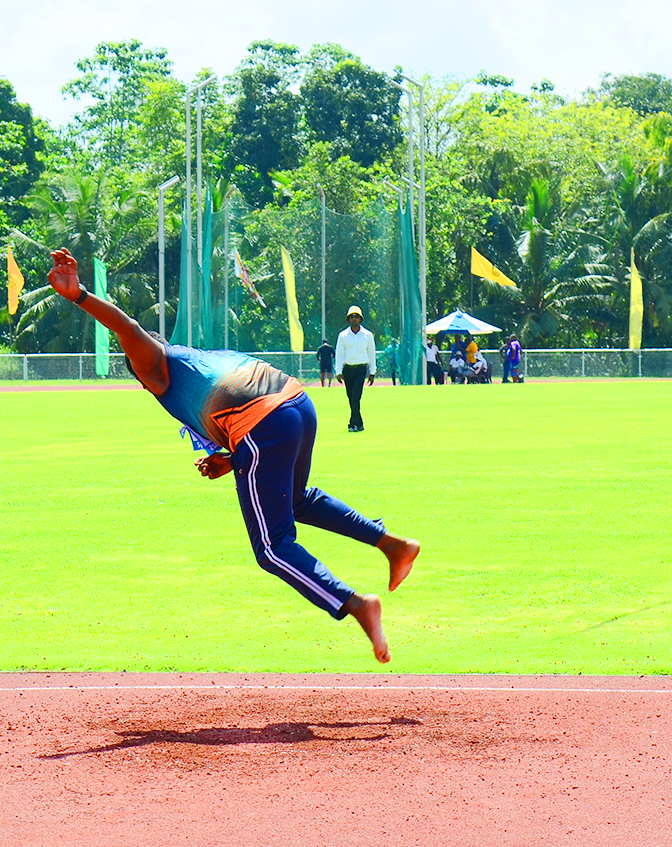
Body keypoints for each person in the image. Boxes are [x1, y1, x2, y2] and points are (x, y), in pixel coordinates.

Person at [45, 249, 417, 663]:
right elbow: (237, 405)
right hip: (296, 403)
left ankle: (356, 605)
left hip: (263, 425)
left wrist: (79, 295)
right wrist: (234, 458)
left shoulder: (157, 366)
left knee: (272, 548)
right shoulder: (198, 359)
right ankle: (392, 545)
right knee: (295, 500)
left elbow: (127, 328)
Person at [334, 306, 376, 432]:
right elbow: (339, 353)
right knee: (351, 397)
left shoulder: (367, 335)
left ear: (360, 319)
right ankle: (360, 423)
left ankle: (352, 424)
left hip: (361, 369)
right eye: (352, 316)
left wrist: (372, 372)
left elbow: (371, 354)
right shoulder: (343, 335)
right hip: (348, 369)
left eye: (356, 316)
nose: (354, 319)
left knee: (356, 397)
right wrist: (338, 371)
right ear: (348, 319)